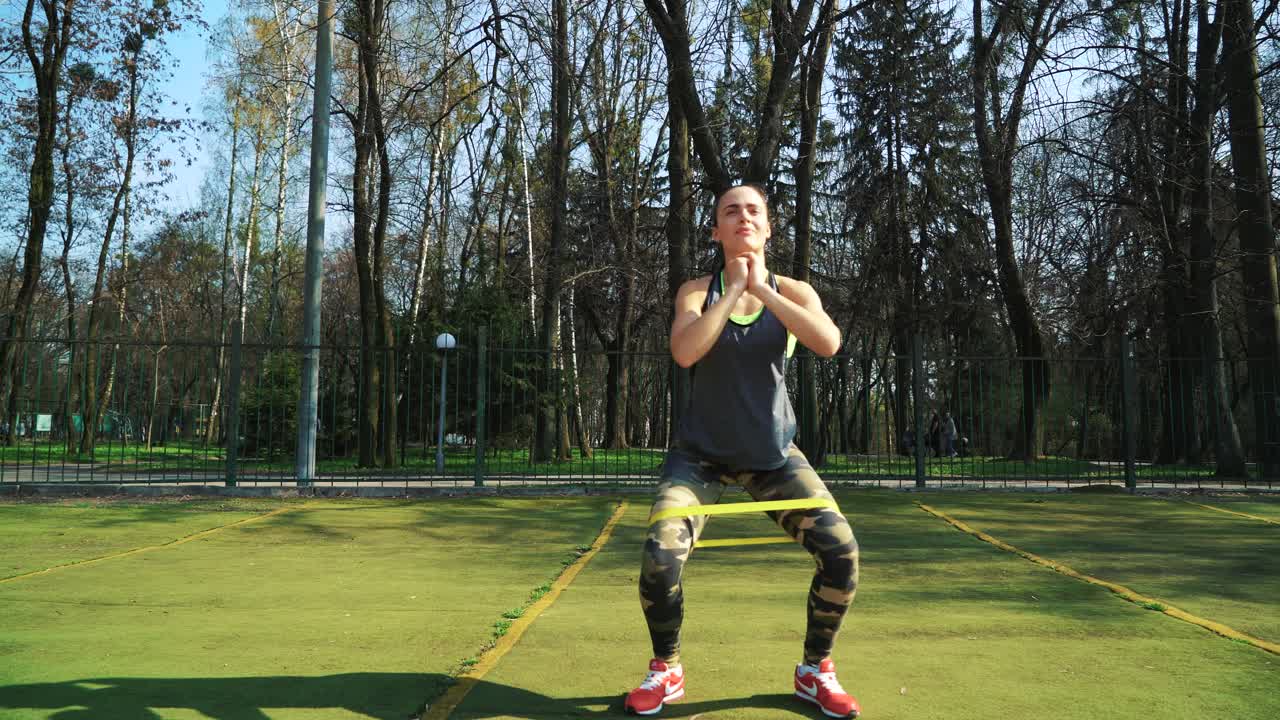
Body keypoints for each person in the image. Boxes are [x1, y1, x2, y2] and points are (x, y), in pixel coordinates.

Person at [624, 183, 861, 719]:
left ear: (768, 227)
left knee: (841, 551)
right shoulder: (695, 291)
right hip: (699, 457)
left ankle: (814, 671)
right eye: (731, 211)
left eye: (754, 210)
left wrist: (763, 290)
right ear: (717, 230)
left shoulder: (796, 291)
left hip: (772, 455)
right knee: (660, 557)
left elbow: (828, 343)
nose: (743, 217)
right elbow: (685, 352)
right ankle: (666, 668)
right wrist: (732, 292)